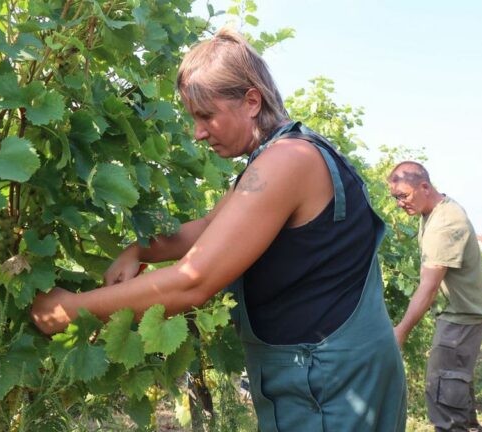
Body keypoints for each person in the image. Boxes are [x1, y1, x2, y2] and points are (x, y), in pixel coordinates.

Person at [32, 27, 406, 431]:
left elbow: (193, 281)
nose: (198, 132)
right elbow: (211, 226)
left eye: (206, 115)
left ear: (250, 101)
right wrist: (138, 250)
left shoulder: (287, 162)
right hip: (322, 375)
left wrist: (71, 310)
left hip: (331, 386)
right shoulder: (276, 157)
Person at [387, 161, 482, 432]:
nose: (400, 203)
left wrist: (400, 332)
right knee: (455, 393)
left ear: (424, 186)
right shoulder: (433, 212)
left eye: (404, 195)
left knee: (444, 397)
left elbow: (429, 287)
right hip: (461, 315)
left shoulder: (445, 223)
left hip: (461, 320)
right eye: (395, 197)